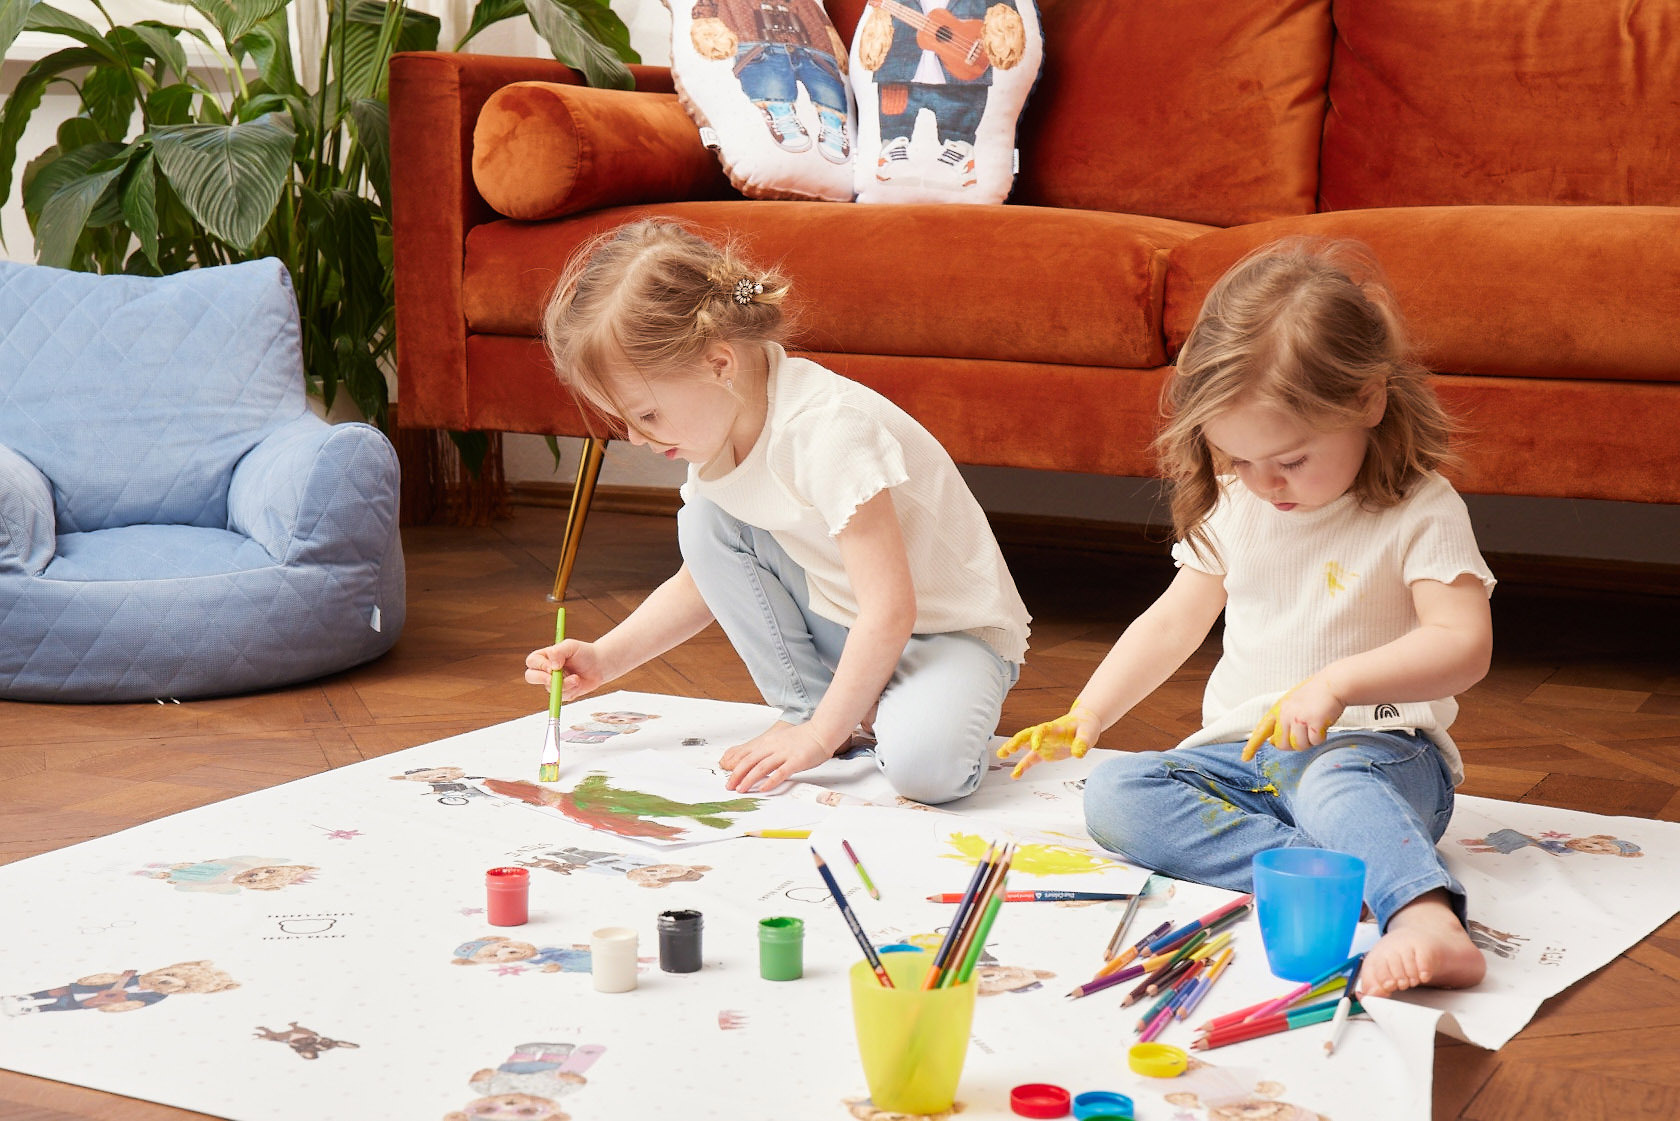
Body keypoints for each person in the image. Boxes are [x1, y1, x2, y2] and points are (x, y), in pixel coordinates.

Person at [997, 239, 1493, 999]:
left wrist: (1337, 684)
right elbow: (1173, 621)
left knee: (1332, 786)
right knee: (1118, 793)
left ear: (1367, 401)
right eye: (1236, 459)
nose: (1264, 484)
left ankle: (1426, 916)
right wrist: (1088, 712)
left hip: (1376, 755)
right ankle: (1337, 874)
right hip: (1246, 764)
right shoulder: (1238, 505)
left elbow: (1464, 645)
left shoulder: (1421, 510)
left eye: (1289, 461)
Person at [524, 220, 1029, 804]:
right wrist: (605, 658)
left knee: (925, 772)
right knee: (706, 523)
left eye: (647, 415)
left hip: (947, 633)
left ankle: (850, 715)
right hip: (850, 623)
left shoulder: (827, 430)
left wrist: (819, 738)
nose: (636, 438)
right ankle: (817, 707)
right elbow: (703, 580)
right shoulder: (722, 435)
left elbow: (891, 611)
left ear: (719, 364)